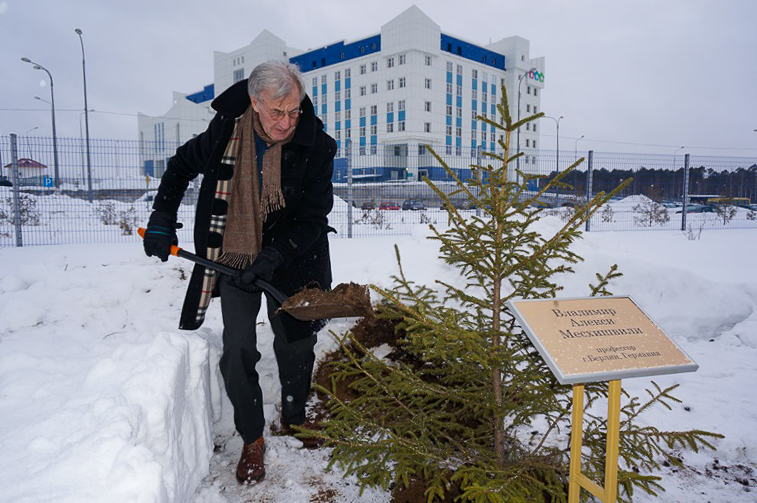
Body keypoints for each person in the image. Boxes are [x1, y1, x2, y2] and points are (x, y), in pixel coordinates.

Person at [142, 60, 336, 484]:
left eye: (294, 111)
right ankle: (252, 437)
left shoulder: (317, 145)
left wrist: (274, 256)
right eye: (276, 112)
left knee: (296, 343)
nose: (286, 123)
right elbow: (179, 166)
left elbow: (313, 217)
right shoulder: (225, 130)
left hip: (295, 256)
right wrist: (161, 217)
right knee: (239, 348)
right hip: (234, 253)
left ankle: (295, 412)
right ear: (255, 102)